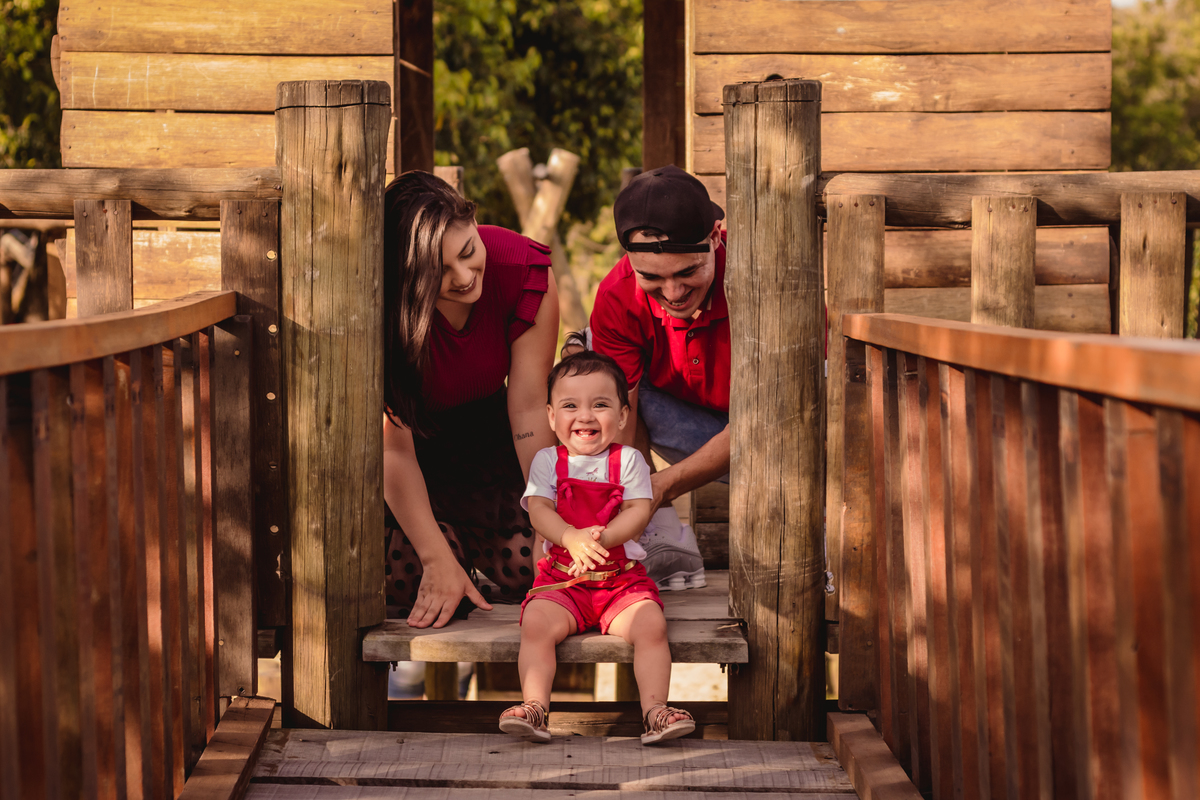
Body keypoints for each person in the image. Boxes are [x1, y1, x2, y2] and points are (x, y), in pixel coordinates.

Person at [382, 171, 560, 630]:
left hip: (487, 438)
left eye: (468, 252)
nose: (463, 277)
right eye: (438, 272)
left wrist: (547, 516)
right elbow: (392, 448)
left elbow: (526, 410)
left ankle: (469, 540)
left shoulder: (522, 269)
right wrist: (436, 558)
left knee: (534, 568)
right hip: (411, 452)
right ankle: (444, 544)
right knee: (418, 581)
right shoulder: (381, 305)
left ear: (474, 223)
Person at [498, 350, 696, 744]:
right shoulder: (546, 461)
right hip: (563, 583)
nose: (585, 416)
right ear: (552, 417)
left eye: (600, 405)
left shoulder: (629, 461)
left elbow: (638, 511)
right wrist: (571, 537)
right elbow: (539, 510)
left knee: (651, 626)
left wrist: (601, 539)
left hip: (619, 582)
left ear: (622, 416)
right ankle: (536, 707)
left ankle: (655, 710)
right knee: (535, 623)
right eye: (570, 405)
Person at [573, 165, 732, 592]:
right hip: (690, 425)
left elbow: (774, 421)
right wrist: (635, 497)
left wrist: (661, 486)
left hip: (785, 434)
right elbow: (617, 414)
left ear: (715, 237)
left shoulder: (761, 277)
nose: (674, 293)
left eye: (686, 272)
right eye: (652, 277)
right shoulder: (616, 297)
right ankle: (655, 529)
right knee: (600, 377)